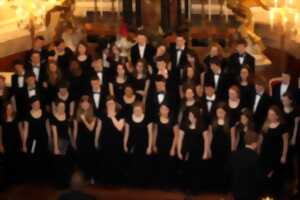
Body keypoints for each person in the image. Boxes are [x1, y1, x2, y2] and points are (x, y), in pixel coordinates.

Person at [177, 107, 210, 193]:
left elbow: (206, 139)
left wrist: (205, 152)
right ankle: (185, 188)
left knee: (196, 171)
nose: (190, 117)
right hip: (186, 151)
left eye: (192, 116)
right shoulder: (184, 124)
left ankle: (195, 189)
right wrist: (179, 151)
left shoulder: (202, 125)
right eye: (189, 116)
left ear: (196, 116)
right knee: (186, 170)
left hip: (198, 152)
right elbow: (180, 138)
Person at [226, 131, 265, 200]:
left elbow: (228, 173)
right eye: (259, 142)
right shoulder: (256, 157)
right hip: (251, 193)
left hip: (236, 192)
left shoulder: (234, 155)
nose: (260, 143)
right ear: (255, 143)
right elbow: (259, 177)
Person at [260, 106, 289, 199]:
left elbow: (285, 142)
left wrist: (284, 155)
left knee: (276, 175)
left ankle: (276, 194)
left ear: (277, 116)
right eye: (269, 114)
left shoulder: (283, 126)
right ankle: (267, 194)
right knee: (266, 174)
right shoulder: (265, 125)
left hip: (277, 154)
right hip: (265, 154)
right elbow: (261, 140)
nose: (270, 116)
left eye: (272, 115)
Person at [124, 102, 153, 187]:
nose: (137, 111)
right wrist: (125, 144)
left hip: (144, 145)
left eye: (139, 110)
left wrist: (149, 146)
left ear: (142, 110)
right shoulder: (129, 119)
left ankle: (143, 183)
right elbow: (126, 132)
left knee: (143, 165)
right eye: (135, 110)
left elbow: (150, 134)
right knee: (133, 164)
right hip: (132, 145)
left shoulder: (147, 118)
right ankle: (133, 182)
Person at [73, 96, 101, 183]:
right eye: (83, 102)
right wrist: (74, 141)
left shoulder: (93, 115)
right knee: (81, 159)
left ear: (89, 104)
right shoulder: (77, 115)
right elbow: (75, 130)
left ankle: (92, 178)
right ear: (80, 104)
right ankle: (83, 178)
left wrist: (84, 119)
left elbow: (91, 128)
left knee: (91, 159)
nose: (85, 104)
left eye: (87, 102)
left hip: (90, 140)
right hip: (81, 140)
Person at [21, 97, 49, 182]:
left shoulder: (45, 113)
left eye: (38, 103)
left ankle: (43, 176)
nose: (37, 105)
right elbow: (25, 130)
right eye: (35, 103)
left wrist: (50, 138)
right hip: (33, 141)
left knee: (44, 157)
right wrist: (24, 144)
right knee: (33, 157)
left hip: (43, 139)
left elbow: (47, 127)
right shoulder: (27, 115)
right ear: (31, 105)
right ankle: (34, 177)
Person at [99, 96, 125, 185]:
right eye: (108, 104)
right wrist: (96, 139)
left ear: (115, 104)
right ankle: (106, 182)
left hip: (116, 141)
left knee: (116, 161)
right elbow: (99, 127)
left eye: (111, 103)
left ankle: (116, 182)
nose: (110, 105)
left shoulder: (120, 113)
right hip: (105, 141)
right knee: (106, 161)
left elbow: (119, 127)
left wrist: (112, 117)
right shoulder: (103, 113)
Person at [152, 104, 178, 188]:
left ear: (168, 110)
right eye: (162, 109)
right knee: (160, 164)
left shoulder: (173, 120)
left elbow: (176, 135)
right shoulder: (157, 119)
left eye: (165, 109)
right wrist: (154, 144)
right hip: (159, 144)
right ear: (160, 110)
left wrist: (173, 148)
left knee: (169, 165)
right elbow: (155, 132)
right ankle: (161, 183)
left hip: (170, 145)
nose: (163, 110)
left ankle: (169, 184)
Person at [51, 100, 73, 188]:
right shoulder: (53, 117)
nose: (62, 108)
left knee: (67, 163)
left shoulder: (66, 115)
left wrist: (72, 142)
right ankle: (59, 184)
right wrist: (56, 147)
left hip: (67, 142)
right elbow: (55, 133)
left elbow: (69, 130)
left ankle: (67, 183)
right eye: (60, 107)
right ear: (56, 107)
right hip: (59, 142)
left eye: (63, 107)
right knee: (59, 164)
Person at [0, 102, 22, 184]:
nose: (10, 110)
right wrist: (0, 144)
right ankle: (8, 180)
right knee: (7, 161)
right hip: (6, 143)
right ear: (5, 109)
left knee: (16, 161)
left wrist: (22, 143)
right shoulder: (2, 118)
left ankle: (16, 179)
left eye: (11, 108)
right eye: (8, 108)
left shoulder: (16, 117)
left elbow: (20, 129)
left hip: (16, 142)